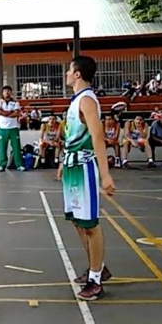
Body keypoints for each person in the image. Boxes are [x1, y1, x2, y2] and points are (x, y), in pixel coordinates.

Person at [57, 56, 115, 301]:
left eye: (69, 70)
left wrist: (105, 175)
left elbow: (97, 138)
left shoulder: (88, 100)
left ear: (78, 74)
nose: (67, 74)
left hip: (84, 167)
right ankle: (98, 267)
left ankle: (95, 279)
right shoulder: (76, 100)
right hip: (72, 165)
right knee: (77, 221)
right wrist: (63, 162)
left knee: (90, 224)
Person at [0, 86, 25, 172]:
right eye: (5, 91)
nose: (7, 93)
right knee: (2, 147)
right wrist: (10, 112)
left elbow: (17, 114)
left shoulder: (15, 102)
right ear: (2, 93)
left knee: (16, 147)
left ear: (11, 92)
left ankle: (18, 164)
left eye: (8, 91)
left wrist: (5, 113)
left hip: (13, 128)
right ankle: (2, 165)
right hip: (3, 128)